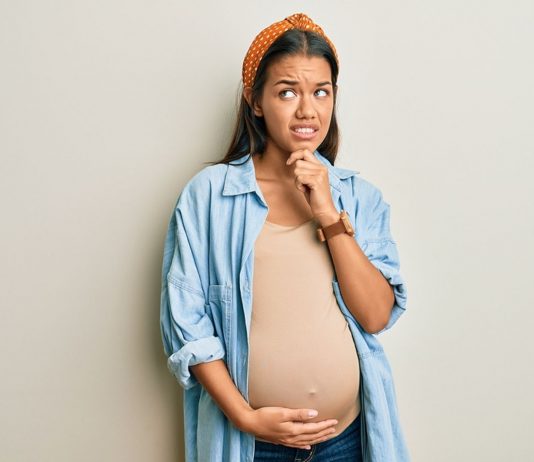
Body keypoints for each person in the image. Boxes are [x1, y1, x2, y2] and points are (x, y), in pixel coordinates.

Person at [160, 13, 410, 462]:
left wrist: (327, 213)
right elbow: (187, 325)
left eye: (321, 92)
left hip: (347, 443)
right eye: (287, 92)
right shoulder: (209, 197)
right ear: (255, 101)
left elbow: (375, 315)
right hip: (252, 444)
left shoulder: (358, 197)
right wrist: (245, 417)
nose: (307, 110)